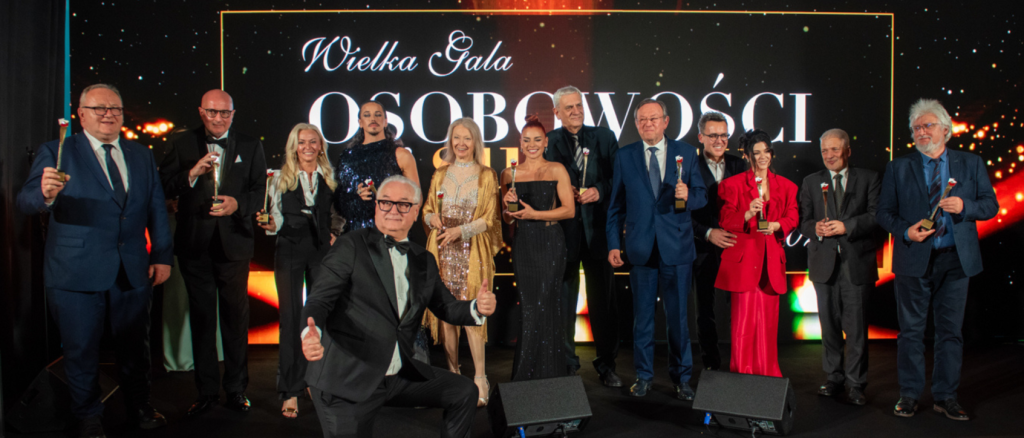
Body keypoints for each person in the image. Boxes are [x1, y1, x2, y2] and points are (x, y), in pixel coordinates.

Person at [17, 83, 173, 437]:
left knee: (135, 348)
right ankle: (89, 417)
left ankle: (140, 407)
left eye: (115, 108)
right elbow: (25, 201)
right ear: (81, 114)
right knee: (81, 349)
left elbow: (155, 208)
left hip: (132, 268)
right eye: (99, 108)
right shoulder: (57, 151)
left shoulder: (140, 154)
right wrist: (44, 194)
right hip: (74, 270)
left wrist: (162, 255)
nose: (108, 114)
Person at [300, 175, 496, 438]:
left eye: (403, 204)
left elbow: (446, 307)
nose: (393, 210)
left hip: (397, 375)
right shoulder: (351, 246)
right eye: (385, 202)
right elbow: (319, 301)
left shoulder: (423, 259)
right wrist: (310, 332)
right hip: (346, 379)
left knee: (463, 391)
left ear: (415, 212)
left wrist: (477, 307)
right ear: (376, 206)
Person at [876, 99, 998, 420]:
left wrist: (965, 207)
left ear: (946, 129)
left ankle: (946, 396)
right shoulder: (898, 167)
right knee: (910, 333)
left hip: (956, 260)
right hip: (913, 259)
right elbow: (884, 213)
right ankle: (909, 394)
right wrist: (906, 231)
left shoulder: (970, 163)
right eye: (916, 128)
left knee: (950, 333)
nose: (921, 132)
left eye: (927, 126)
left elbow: (990, 205)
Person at [159, 89, 268, 415]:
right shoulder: (181, 142)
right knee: (202, 320)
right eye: (211, 112)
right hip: (195, 245)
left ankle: (236, 389)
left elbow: (259, 190)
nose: (218, 118)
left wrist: (238, 205)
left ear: (233, 114)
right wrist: (192, 174)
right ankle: (206, 392)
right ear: (200, 112)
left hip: (234, 245)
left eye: (224, 113)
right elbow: (163, 185)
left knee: (236, 320)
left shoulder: (250, 144)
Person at [606, 99, 707, 399]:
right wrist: (614, 244)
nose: (647, 124)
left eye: (653, 119)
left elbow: (701, 196)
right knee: (643, 319)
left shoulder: (686, 152)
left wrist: (688, 195)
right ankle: (644, 376)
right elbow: (615, 207)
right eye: (642, 120)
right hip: (640, 249)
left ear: (666, 121)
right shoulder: (625, 156)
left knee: (678, 319)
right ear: (636, 124)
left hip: (677, 249)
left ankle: (682, 378)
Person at [257, 123, 338, 418]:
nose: (307, 147)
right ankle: (290, 390)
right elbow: (275, 217)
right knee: (291, 319)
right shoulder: (279, 178)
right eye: (302, 142)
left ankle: (316, 383)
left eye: (313, 142)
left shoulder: (329, 178)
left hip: (321, 252)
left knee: (319, 319)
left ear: (320, 147)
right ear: (294, 146)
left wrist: (335, 232)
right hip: (289, 249)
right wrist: (270, 225)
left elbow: (337, 214)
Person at [543, 86, 622, 384]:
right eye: (569, 107)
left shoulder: (605, 136)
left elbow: (619, 179)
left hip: (599, 233)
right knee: (563, 303)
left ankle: (607, 365)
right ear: (556, 112)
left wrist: (599, 190)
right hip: (563, 235)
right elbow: (540, 182)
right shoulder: (548, 142)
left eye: (579, 105)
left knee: (604, 303)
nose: (576, 111)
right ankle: (567, 364)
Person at [421, 118, 502, 406]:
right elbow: (427, 209)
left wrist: (461, 231)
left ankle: (480, 377)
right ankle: (453, 375)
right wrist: (432, 218)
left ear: (475, 141)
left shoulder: (487, 175)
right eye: (457, 137)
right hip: (442, 250)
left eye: (467, 138)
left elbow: (489, 218)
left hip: (472, 250)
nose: (461, 143)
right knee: (446, 314)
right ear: (450, 140)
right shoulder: (440, 173)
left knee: (473, 312)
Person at [798, 128, 882, 405]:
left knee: (856, 329)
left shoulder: (868, 178)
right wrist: (816, 228)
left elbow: (877, 216)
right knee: (829, 326)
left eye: (835, 149)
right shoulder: (811, 181)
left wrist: (847, 226)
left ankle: (856, 384)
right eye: (824, 151)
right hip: (823, 264)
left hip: (856, 264)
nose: (829, 155)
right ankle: (834, 377)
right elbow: (803, 222)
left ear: (847, 151)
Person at [714, 129, 798, 378]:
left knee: (768, 326)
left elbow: (793, 216)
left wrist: (777, 225)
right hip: (744, 263)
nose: (762, 157)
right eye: (756, 152)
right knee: (743, 326)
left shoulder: (788, 186)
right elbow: (725, 219)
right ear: (747, 156)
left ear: (772, 153)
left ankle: (768, 375)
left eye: (766, 151)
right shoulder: (731, 185)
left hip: (771, 264)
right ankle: (742, 376)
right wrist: (748, 213)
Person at [501, 115, 576, 381]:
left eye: (537, 140)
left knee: (546, 307)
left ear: (545, 142)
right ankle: (528, 377)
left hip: (551, 244)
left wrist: (536, 215)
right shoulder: (508, 174)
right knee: (530, 308)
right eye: (527, 140)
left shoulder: (557, 169)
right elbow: (508, 219)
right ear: (520, 143)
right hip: (524, 246)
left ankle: (548, 375)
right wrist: (508, 206)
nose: (532, 145)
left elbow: (569, 210)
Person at [689, 111, 747, 371]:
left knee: (740, 308)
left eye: (723, 135)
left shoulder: (740, 165)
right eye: (713, 135)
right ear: (701, 137)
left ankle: (741, 362)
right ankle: (711, 366)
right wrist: (707, 232)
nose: (719, 140)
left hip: (736, 247)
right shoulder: (688, 166)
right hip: (702, 247)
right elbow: (680, 213)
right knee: (705, 310)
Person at [333, 100, 419, 233]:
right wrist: (357, 197)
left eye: (378, 115)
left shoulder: (401, 155)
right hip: (355, 233)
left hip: (391, 232)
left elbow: (416, 196)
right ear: (360, 122)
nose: (373, 119)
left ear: (385, 121)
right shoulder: (346, 157)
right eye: (367, 115)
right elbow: (339, 200)